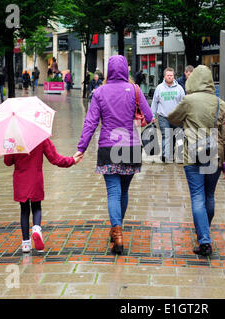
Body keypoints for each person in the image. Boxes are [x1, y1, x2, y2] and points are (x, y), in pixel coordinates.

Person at [74, 55, 153, 255]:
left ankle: (116, 232)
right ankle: (117, 228)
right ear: (125, 70)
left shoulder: (99, 92)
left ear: (109, 71)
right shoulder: (135, 90)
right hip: (131, 147)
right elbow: (150, 117)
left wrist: (81, 148)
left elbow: (90, 122)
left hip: (109, 147)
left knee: (113, 192)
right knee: (123, 192)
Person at [168, 65, 225, 256]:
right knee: (209, 196)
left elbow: (172, 118)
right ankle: (204, 228)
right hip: (214, 154)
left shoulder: (188, 101)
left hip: (191, 153)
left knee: (197, 197)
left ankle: (204, 239)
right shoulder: (220, 103)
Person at [4, 139, 82, 253]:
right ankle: (36, 228)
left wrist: (9, 148)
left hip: (20, 180)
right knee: (36, 207)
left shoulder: (13, 139)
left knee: (24, 210)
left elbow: (8, 162)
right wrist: (72, 160)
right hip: (35, 178)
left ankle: (26, 243)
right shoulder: (40, 137)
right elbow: (55, 158)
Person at [151, 67, 185, 163]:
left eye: (171, 75)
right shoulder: (159, 88)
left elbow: (184, 103)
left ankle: (179, 156)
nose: (170, 77)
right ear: (164, 76)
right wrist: (152, 116)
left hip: (177, 118)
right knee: (167, 136)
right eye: (168, 75)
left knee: (178, 137)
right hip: (163, 117)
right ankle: (167, 157)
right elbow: (154, 103)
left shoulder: (179, 89)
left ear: (174, 76)